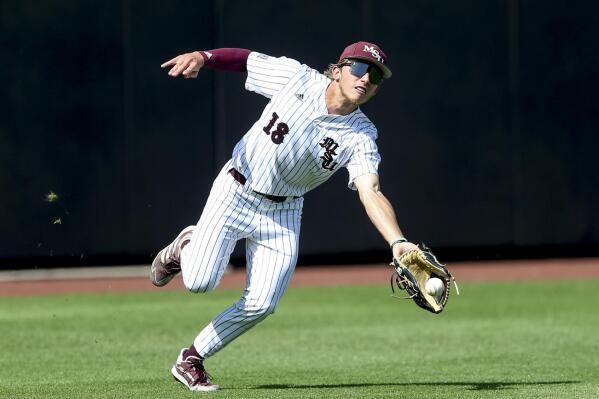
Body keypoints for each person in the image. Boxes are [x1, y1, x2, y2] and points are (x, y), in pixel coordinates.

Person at [152, 41, 419, 392]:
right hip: (236, 189)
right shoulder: (296, 78)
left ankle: (191, 358)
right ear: (337, 70)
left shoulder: (361, 135)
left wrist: (397, 241)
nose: (365, 78)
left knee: (263, 303)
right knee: (199, 281)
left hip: (283, 211)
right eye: (358, 68)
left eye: (375, 76)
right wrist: (203, 58)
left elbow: (371, 190)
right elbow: (245, 61)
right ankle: (186, 244)